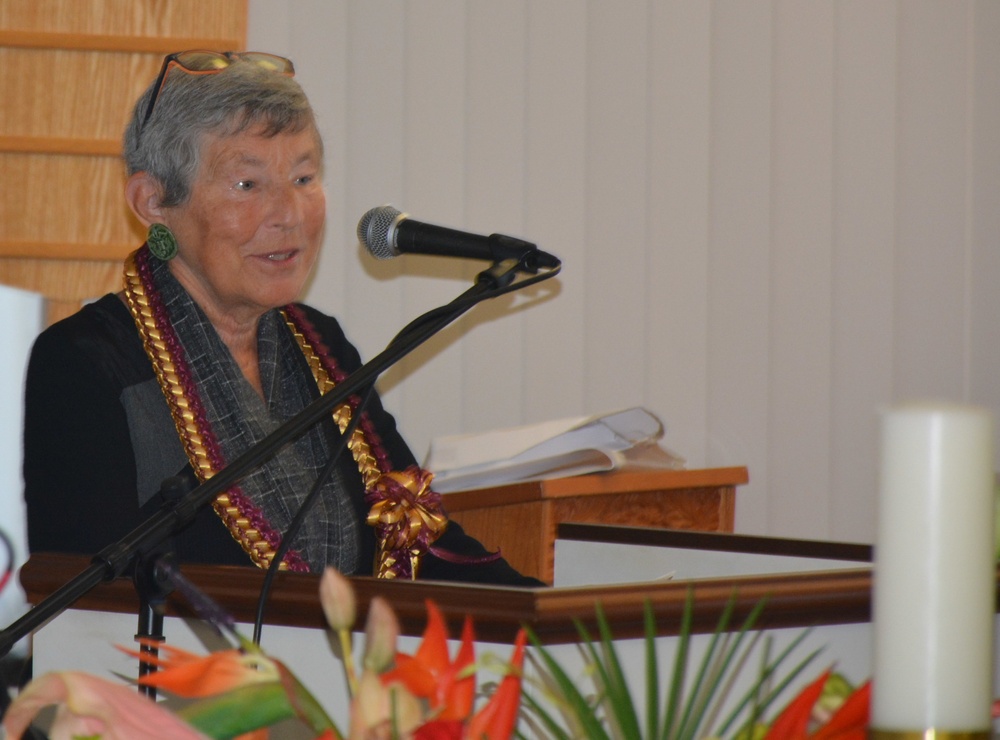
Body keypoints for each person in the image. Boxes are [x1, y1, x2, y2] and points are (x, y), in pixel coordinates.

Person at [22, 50, 539, 586]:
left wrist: (568, 626)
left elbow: (420, 539)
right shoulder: (87, 364)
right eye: (248, 185)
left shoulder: (320, 345)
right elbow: (85, 604)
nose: (289, 214)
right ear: (153, 200)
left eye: (303, 177)